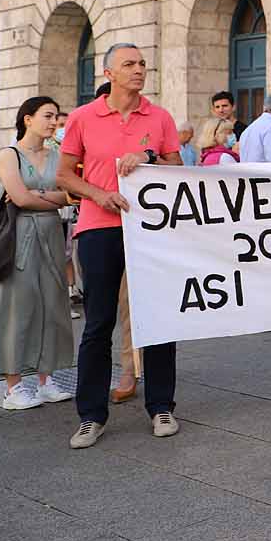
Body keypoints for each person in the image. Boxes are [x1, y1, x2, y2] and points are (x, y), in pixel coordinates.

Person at [57, 43, 183, 448]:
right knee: (98, 322)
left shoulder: (159, 117)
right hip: (99, 227)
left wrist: (147, 154)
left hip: (150, 229)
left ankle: (161, 405)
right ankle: (91, 415)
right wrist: (98, 194)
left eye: (143, 63)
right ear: (107, 72)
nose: (139, 69)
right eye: (129, 64)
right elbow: (64, 176)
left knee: (158, 318)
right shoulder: (82, 117)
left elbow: (178, 170)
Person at [0, 97, 76, 410]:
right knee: (17, 308)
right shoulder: (9, 154)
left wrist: (42, 196)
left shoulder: (58, 155)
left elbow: (71, 194)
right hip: (19, 238)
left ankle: (46, 380)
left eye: (56, 116)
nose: (54, 122)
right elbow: (20, 198)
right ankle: (12, 387)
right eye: (48, 115)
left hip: (52, 234)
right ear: (27, 119)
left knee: (53, 305)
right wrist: (56, 198)